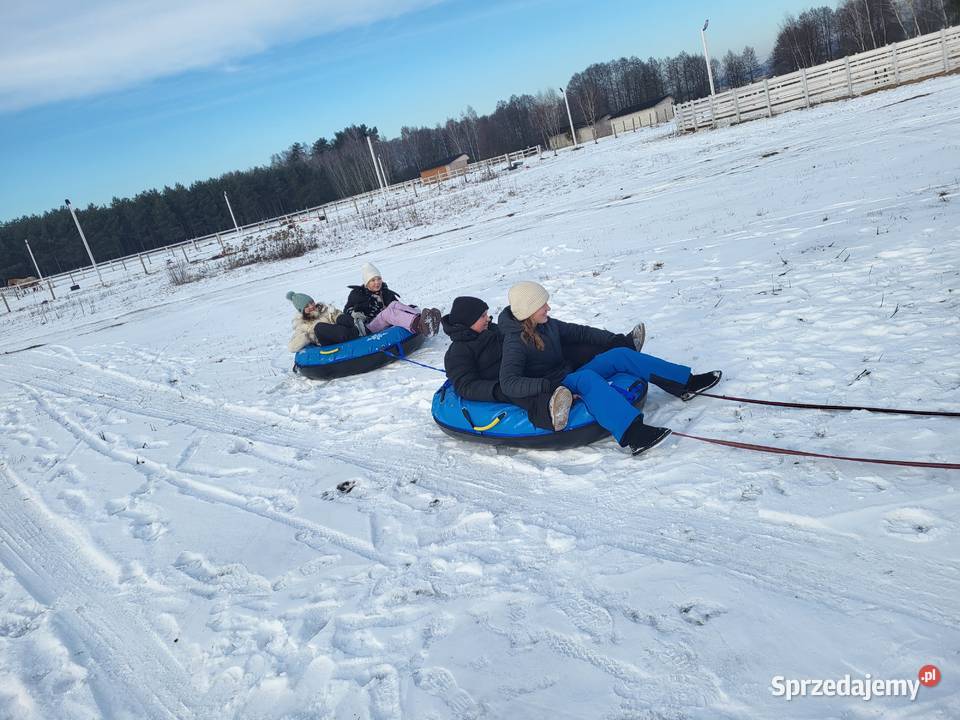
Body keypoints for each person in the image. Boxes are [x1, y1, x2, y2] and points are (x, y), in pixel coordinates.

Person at [498, 281, 722, 455]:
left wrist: (615, 340)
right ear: (528, 310)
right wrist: (548, 386)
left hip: (568, 374)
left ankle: (686, 382)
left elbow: (581, 332)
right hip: (555, 386)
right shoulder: (514, 343)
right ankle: (634, 435)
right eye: (542, 305)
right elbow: (508, 382)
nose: (548, 307)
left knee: (619, 355)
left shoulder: (547, 324)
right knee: (586, 379)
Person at [442, 296, 647, 431]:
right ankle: (552, 412)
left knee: (570, 347)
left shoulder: (493, 331)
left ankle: (621, 344)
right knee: (520, 392)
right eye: (482, 316)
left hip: (524, 367)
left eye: (486, 314)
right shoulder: (457, 352)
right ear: (468, 321)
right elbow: (465, 385)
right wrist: (497, 390)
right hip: (504, 383)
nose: (488, 318)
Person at [345, 262, 442, 336]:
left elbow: (397, 307)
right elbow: (346, 311)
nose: (377, 282)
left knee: (394, 304)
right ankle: (419, 326)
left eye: (379, 279)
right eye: (373, 280)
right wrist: (354, 314)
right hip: (369, 327)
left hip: (384, 322)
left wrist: (409, 308)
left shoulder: (385, 292)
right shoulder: (357, 294)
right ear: (367, 283)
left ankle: (423, 320)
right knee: (387, 313)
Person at [286, 291, 367, 352]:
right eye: (307, 306)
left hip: (340, 333)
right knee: (319, 327)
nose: (311, 306)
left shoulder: (324, 310)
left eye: (311, 302)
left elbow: (339, 315)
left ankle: (362, 327)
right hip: (328, 343)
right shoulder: (302, 325)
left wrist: (337, 316)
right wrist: (307, 336)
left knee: (340, 317)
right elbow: (291, 348)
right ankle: (356, 332)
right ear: (302, 310)